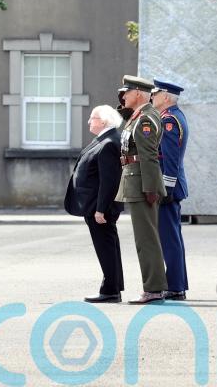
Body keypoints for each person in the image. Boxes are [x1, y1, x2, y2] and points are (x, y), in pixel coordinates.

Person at [115, 75, 168, 304]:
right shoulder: (137, 116)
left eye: (126, 92)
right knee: (144, 238)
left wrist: (149, 188)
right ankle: (153, 286)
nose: (122, 97)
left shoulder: (146, 119)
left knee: (146, 239)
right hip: (136, 181)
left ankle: (154, 288)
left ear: (138, 93)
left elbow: (148, 156)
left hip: (141, 183)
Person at [64, 106, 125, 303]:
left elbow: (109, 180)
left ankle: (110, 291)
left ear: (104, 121)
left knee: (105, 247)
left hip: (99, 207)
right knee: (108, 246)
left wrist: (101, 209)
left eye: (93, 118)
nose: (89, 121)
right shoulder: (103, 139)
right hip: (94, 205)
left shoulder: (109, 143)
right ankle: (113, 287)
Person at [151, 79, 189, 301]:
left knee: (169, 239)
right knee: (173, 237)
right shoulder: (174, 116)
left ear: (166, 97)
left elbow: (170, 159)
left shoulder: (169, 121)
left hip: (169, 187)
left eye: (156, 94)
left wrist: (165, 188)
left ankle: (175, 286)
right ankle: (178, 283)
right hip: (172, 186)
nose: (152, 97)